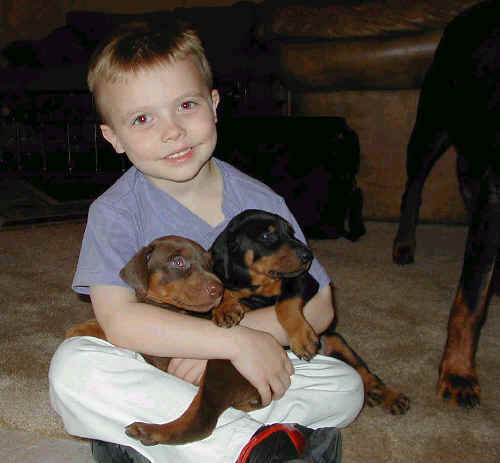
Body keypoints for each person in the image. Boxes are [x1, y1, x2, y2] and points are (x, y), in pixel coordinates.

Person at [48, 19, 364, 463]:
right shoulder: (115, 212)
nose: (172, 131)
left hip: (246, 363)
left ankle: (163, 438)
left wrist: (240, 342)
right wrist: (226, 343)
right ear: (113, 137)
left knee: (344, 386)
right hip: (155, 363)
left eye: (186, 105)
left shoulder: (261, 202)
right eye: (142, 118)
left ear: (214, 105)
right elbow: (120, 323)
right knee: (73, 368)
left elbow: (321, 306)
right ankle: (251, 444)